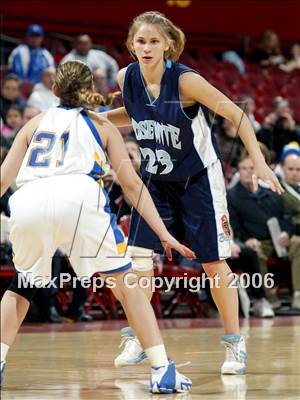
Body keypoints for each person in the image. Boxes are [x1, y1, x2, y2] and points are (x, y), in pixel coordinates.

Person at [101, 11, 283, 374]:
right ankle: (138, 335)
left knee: (213, 262)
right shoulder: (126, 77)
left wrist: (259, 161)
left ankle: (235, 344)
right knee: (136, 256)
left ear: (168, 44)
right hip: (155, 180)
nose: (147, 47)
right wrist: (97, 119)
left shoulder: (186, 81)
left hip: (198, 180)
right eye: (140, 41)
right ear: (130, 45)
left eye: (154, 41)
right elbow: (134, 114)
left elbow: (239, 116)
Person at [0, 61, 194, 393]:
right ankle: (163, 369)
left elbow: (3, 179)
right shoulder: (100, 124)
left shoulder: (33, 124)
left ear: (55, 91)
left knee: (22, 286)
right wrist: (164, 232)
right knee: (127, 286)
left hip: (28, 199)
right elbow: (132, 185)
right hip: (79, 197)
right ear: (89, 88)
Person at [227, 152, 298, 308]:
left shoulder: (272, 189)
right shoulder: (232, 196)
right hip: (256, 240)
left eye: (252, 168)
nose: (248, 171)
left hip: (279, 238)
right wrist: (245, 240)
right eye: (244, 168)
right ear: (238, 170)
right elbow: (234, 224)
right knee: (254, 252)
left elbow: (287, 216)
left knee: (298, 243)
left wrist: (287, 232)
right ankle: (267, 297)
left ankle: (298, 294)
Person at [280, 150, 300, 309]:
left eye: (298, 170)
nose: (295, 173)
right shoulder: (278, 190)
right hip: (286, 235)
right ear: (282, 168)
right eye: (291, 169)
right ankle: (298, 294)